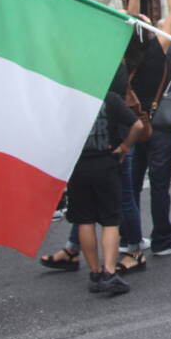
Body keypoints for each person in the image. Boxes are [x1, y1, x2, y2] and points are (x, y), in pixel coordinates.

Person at [125, 0, 171, 257]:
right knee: (159, 185)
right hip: (157, 122)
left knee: (131, 185)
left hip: (130, 123)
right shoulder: (157, 49)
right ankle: (162, 238)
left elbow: (129, 17)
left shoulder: (124, 55)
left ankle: (132, 238)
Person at [66, 77, 146, 295]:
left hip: (78, 165)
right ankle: (110, 272)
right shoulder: (110, 98)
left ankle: (94, 272)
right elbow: (138, 125)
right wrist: (124, 147)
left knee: (85, 220)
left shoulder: (69, 101)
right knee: (111, 220)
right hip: (106, 163)